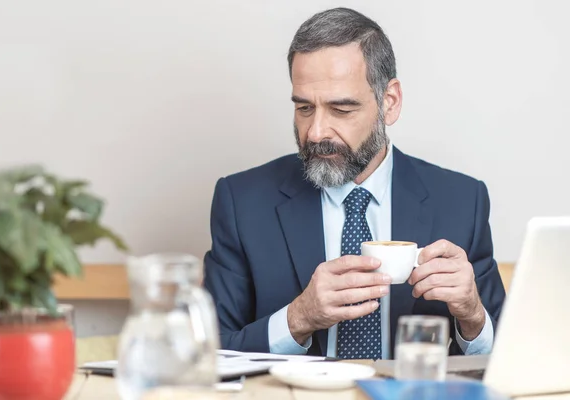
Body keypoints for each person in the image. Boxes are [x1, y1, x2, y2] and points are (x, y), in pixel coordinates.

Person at [203, 7, 506, 359]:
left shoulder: (462, 202)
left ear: (389, 103)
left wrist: (472, 315)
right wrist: (297, 318)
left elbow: (513, 358)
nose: (315, 132)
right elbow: (208, 356)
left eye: (341, 110)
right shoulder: (242, 202)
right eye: (304, 108)